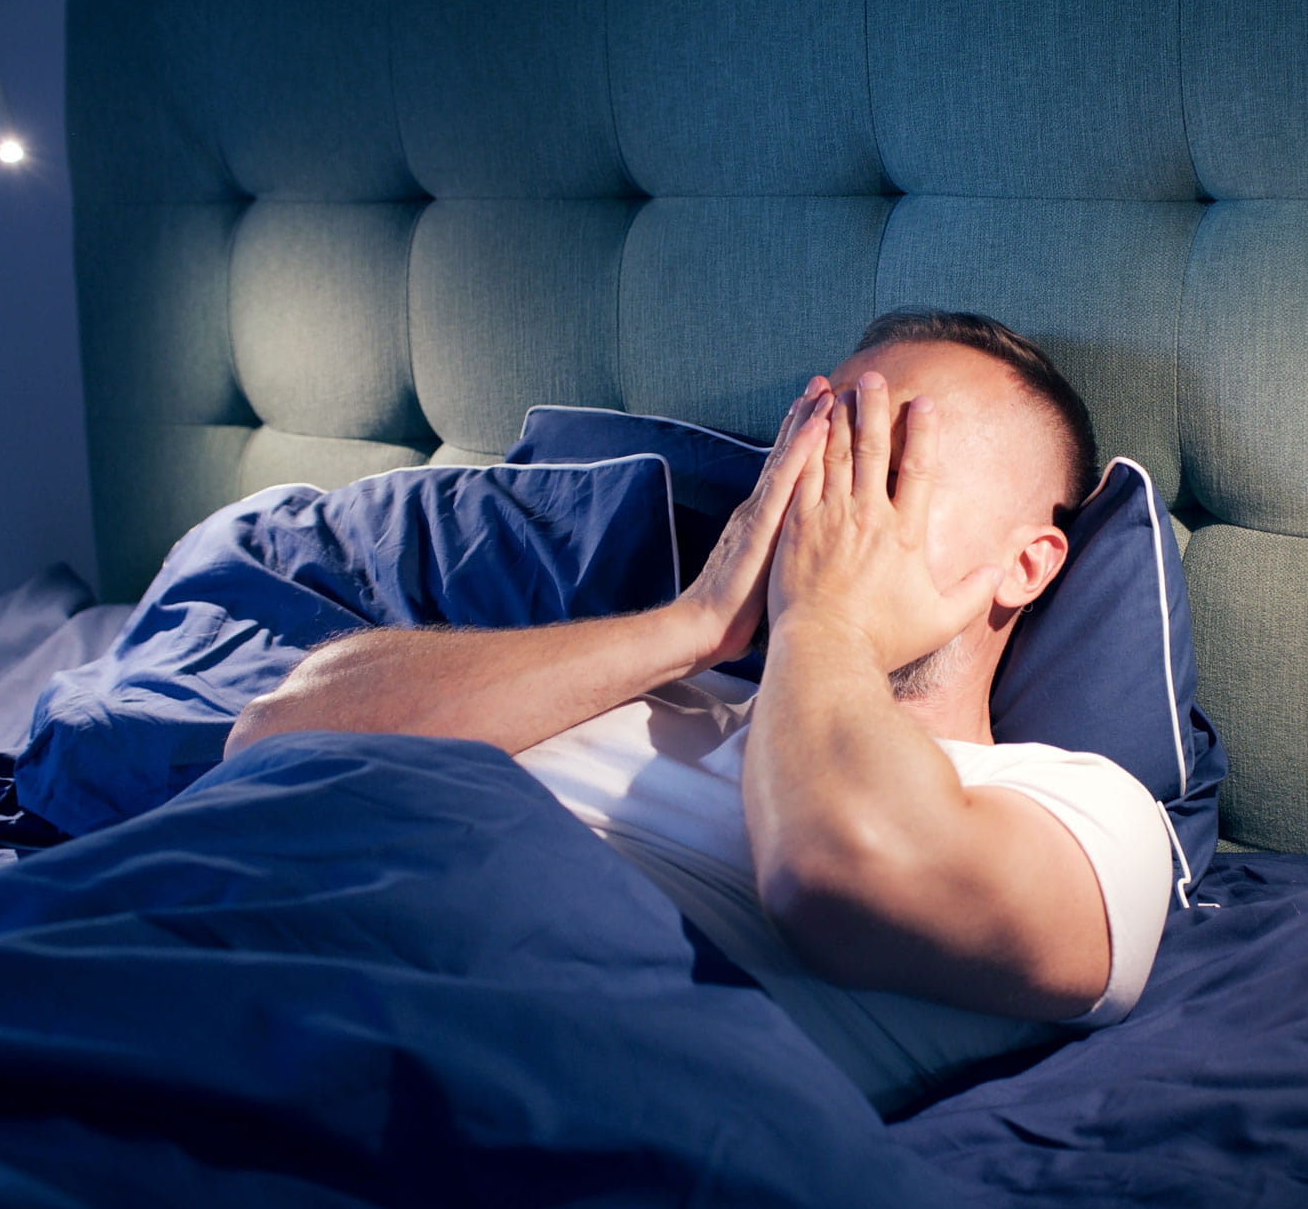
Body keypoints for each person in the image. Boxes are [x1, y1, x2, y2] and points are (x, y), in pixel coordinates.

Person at [224, 310, 1172, 1111]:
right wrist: (694, 624)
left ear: (1027, 565)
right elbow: (273, 739)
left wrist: (828, 620)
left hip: (445, 1073)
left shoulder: (1086, 812)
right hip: (237, 944)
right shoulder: (635, 685)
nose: (824, 503)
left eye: (886, 473)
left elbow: (839, 876)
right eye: (815, 456)